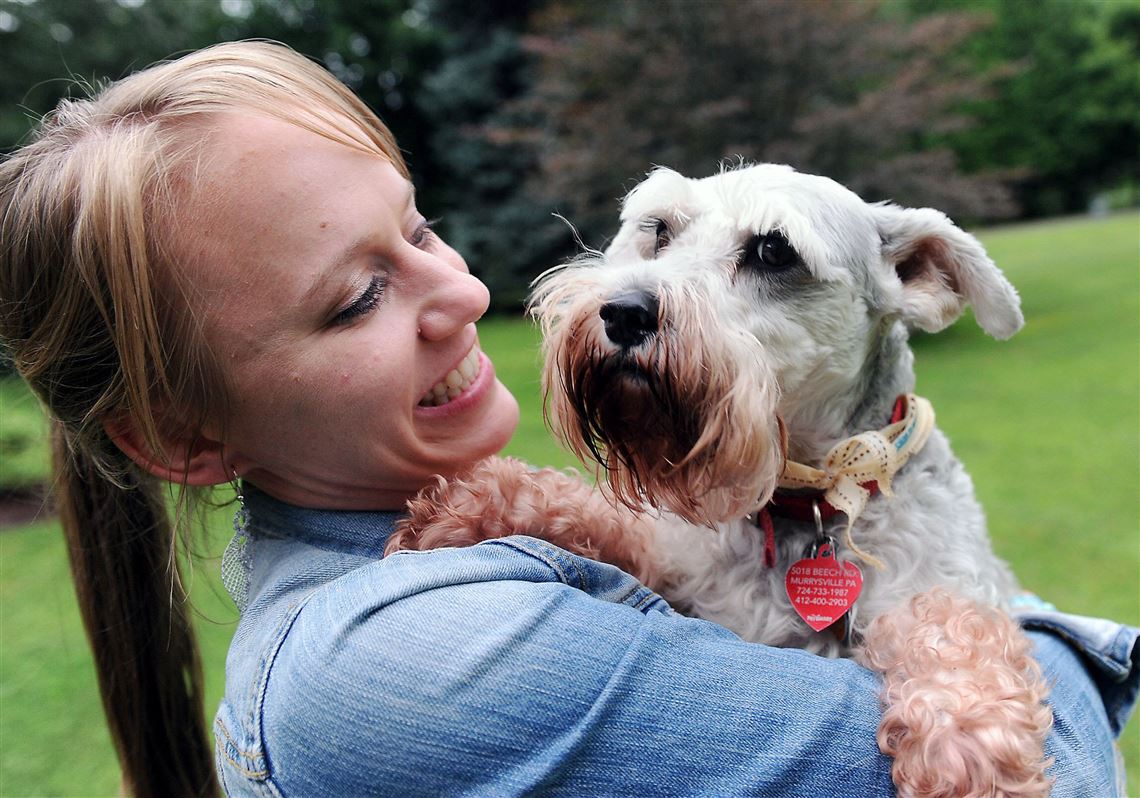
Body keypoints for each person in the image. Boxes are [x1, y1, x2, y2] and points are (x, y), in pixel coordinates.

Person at [0, 41, 1135, 798]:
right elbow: (1060, 776)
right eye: (354, 299)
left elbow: (669, 573)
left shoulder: (498, 563)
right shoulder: (407, 669)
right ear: (184, 436)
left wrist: (556, 512)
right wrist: (1014, 633)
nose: (470, 295)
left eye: (422, 228)